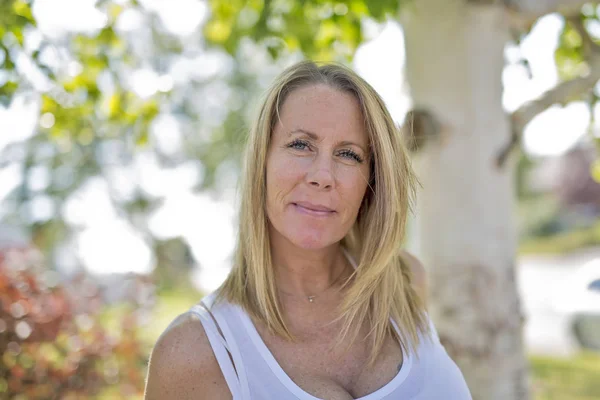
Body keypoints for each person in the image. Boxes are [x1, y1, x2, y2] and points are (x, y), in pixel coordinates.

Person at [144, 61, 472, 400]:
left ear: (371, 181)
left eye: (348, 154)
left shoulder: (404, 283)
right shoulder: (193, 353)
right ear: (263, 162)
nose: (322, 175)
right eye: (301, 145)